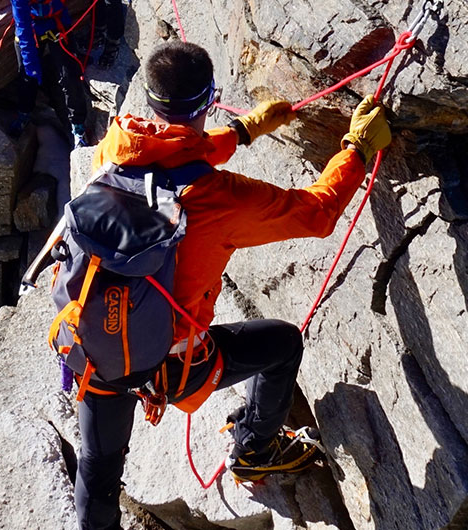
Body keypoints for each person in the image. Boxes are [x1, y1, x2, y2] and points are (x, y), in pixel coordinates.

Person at [73, 38, 391, 528]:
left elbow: (171, 153)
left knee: (97, 472)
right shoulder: (219, 199)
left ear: (152, 102)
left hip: (96, 347)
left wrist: (244, 131)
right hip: (176, 365)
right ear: (209, 99)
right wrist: (355, 149)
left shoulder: (114, 151)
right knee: (284, 345)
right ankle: (253, 451)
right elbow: (318, 213)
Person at [8, 0, 138, 146]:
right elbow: (22, 25)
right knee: (27, 76)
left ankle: (77, 127)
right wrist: (31, 65)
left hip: (57, 25)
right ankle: (24, 113)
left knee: (70, 76)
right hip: (30, 28)